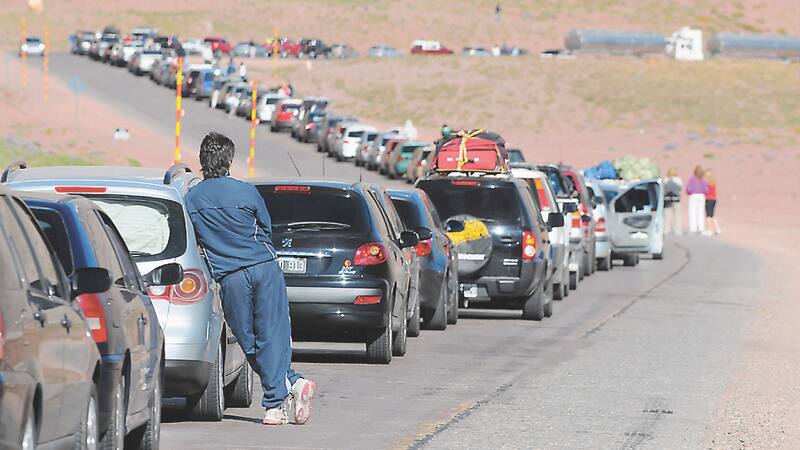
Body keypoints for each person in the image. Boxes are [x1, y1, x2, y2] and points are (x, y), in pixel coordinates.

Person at [185, 133, 316, 425]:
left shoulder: (192, 198)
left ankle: (276, 401)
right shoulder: (245, 191)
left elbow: (194, 238)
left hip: (231, 276)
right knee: (272, 333)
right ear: (229, 160)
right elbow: (265, 226)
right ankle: (290, 385)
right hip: (263, 266)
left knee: (248, 338)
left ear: (202, 161)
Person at [685, 165, 708, 234]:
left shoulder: (692, 179)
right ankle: (701, 227)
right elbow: (706, 190)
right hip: (701, 196)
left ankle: (693, 228)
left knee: (692, 212)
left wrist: (690, 192)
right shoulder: (703, 180)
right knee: (701, 212)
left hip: (693, 196)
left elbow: (688, 189)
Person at [663, 169, 682, 234]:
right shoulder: (678, 180)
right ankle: (677, 229)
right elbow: (680, 188)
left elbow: (664, 189)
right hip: (676, 198)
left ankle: (666, 229)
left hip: (667, 199)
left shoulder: (666, 180)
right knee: (677, 214)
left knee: (667, 214)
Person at [704, 170, 721, 235]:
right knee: (712, 215)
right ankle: (717, 228)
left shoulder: (706, 183)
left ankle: (709, 230)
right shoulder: (713, 182)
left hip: (708, 199)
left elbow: (705, 191)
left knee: (708, 215)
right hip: (714, 199)